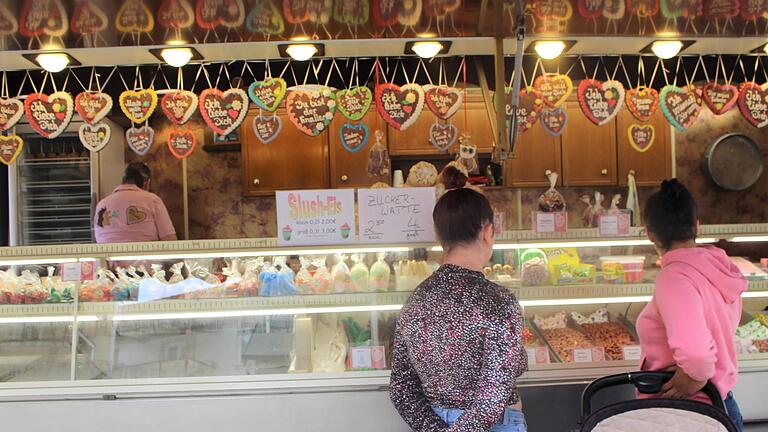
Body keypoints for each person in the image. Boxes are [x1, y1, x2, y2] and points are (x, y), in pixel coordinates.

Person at [389, 177, 527, 432]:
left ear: (439, 236)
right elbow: (492, 395)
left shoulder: (415, 301)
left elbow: (401, 388)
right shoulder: (499, 301)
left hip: (435, 421)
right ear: (488, 232)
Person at [636, 179, 746, 430]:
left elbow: (696, 355)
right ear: (697, 225)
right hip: (721, 404)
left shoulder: (675, 278)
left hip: (689, 412)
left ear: (649, 232)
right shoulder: (718, 268)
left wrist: (694, 379)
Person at [94, 162, 177, 243]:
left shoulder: (101, 205)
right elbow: (169, 240)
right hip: (145, 255)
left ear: (123, 181)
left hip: (108, 256)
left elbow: (99, 239)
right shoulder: (152, 200)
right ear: (147, 183)